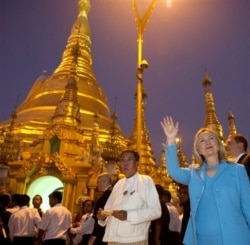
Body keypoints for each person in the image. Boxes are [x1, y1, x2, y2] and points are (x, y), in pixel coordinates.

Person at [161, 115, 250, 245]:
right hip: (201, 239)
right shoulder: (193, 173)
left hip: (235, 237)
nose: (207, 142)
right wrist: (170, 140)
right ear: (198, 149)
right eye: (202, 140)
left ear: (219, 144)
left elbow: (248, 206)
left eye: (211, 138)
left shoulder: (237, 170)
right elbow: (173, 171)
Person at [97, 149, 161, 245]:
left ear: (137, 164)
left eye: (129, 160)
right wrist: (102, 217)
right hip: (113, 238)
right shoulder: (118, 183)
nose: (125, 163)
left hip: (134, 239)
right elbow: (108, 209)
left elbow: (156, 211)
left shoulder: (145, 181)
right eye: (122, 160)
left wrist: (129, 216)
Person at [88, 172, 113, 245]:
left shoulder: (107, 195)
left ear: (105, 182)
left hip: (102, 233)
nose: (97, 185)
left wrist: (94, 236)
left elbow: (101, 217)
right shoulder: (109, 194)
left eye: (98, 182)